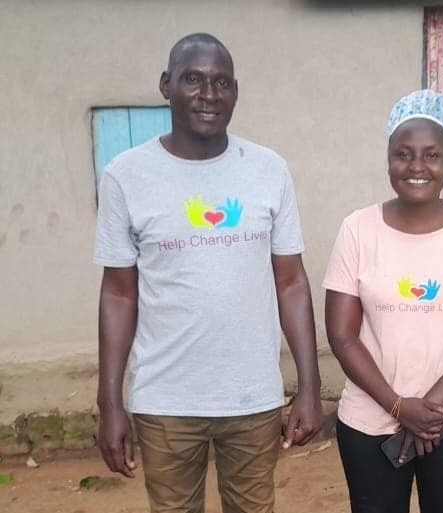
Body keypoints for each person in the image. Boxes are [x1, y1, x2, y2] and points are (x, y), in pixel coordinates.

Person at [94, 33, 323, 513]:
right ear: (166, 86)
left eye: (221, 83)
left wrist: (309, 386)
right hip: (165, 402)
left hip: (252, 398)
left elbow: (291, 281)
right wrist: (110, 401)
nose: (208, 94)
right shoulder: (125, 176)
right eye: (193, 79)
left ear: (235, 93)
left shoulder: (268, 169)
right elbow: (118, 295)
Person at [323, 89, 443, 513]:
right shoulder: (357, 229)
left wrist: (431, 406)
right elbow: (342, 335)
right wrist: (397, 405)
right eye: (403, 154)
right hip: (371, 423)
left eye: (431, 155)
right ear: (388, 159)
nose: (417, 167)